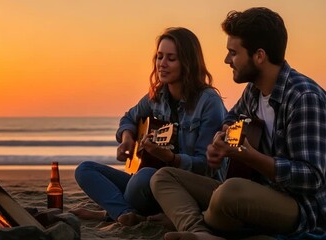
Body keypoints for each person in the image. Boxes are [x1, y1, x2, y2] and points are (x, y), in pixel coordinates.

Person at [150, 7, 326, 240]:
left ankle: (202, 223)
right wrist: (219, 141)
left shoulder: (304, 98)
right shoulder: (253, 91)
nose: (226, 60)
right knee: (163, 177)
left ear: (259, 56)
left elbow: (312, 177)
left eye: (233, 53)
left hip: (298, 207)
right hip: (255, 192)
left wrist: (251, 157)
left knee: (228, 193)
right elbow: (230, 119)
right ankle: (199, 232)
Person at [71, 27, 227, 226]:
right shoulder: (157, 97)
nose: (162, 64)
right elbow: (129, 117)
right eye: (159, 57)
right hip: (149, 184)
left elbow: (205, 167)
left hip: (189, 188)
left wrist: (169, 158)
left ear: (188, 63)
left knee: (145, 176)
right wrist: (127, 139)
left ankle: (113, 212)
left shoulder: (208, 102)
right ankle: (124, 213)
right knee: (85, 170)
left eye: (171, 58)